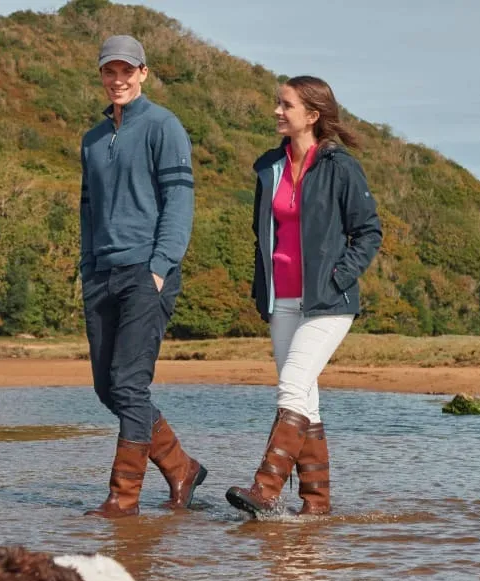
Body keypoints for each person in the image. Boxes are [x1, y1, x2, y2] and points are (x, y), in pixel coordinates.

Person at [226, 76, 382, 517]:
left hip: (328, 302)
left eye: (286, 104)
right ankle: (316, 506)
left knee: (291, 387)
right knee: (305, 399)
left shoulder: (340, 167)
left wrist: (339, 277)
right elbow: (261, 236)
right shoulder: (268, 167)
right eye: (278, 102)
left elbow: (369, 232)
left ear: (311, 115)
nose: (277, 110)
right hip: (283, 301)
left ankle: (265, 489)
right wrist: (263, 291)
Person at [79, 35, 206, 518]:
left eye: (126, 71)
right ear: (101, 75)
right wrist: (88, 266)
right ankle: (181, 468)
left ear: (143, 73)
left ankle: (122, 499)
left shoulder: (163, 127)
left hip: (146, 272)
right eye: (110, 71)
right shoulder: (92, 138)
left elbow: (179, 203)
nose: (118, 80)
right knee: (107, 389)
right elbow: (87, 210)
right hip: (101, 273)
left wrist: (160, 266)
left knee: (129, 386)